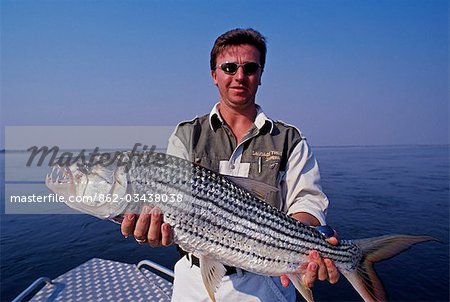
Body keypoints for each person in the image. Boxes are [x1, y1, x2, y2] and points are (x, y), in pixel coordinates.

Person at [121, 28, 339, 301]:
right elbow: (168, 205)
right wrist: (147, 230)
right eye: (229, 67)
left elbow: (307, 203)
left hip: (268, 281)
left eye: (250, 68)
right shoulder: (186, 135)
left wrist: (305, 244)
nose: (239, 76)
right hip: (194, 281)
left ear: (260, 75)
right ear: (214, 75)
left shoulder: (289, 139)